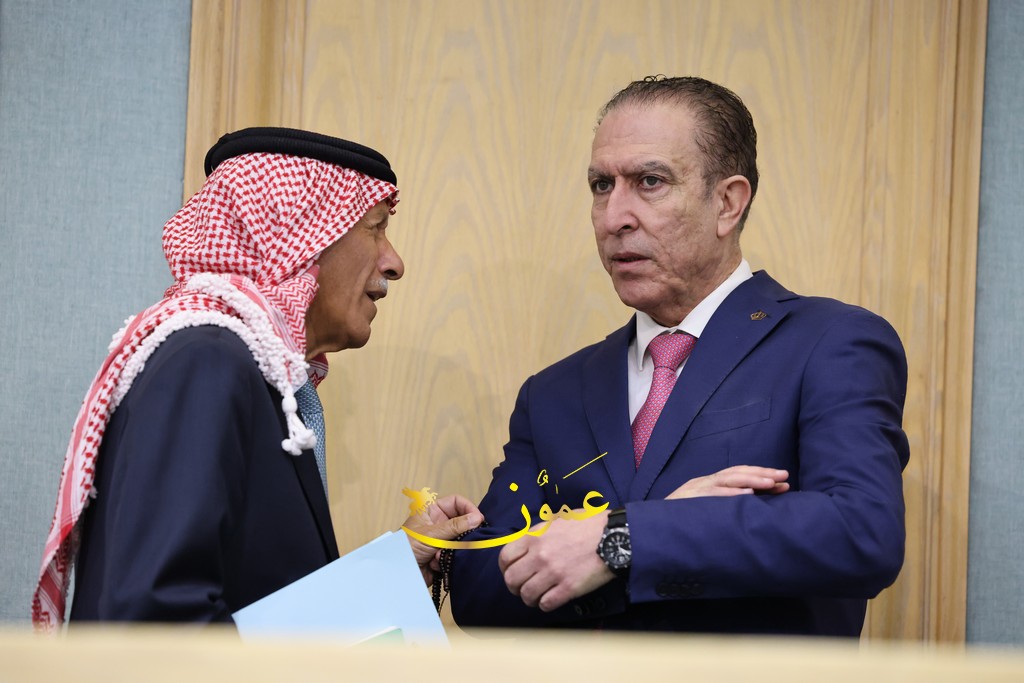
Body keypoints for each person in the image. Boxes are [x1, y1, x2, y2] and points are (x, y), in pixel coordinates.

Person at [449, 76, 909, 637]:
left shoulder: (830, 342)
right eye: (601, 185)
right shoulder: (552, 393)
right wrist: (619, 545)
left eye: (650, 181)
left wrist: (622, 539)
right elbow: (478, 588)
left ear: (727, 203)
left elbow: (861, 531)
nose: (614, 216)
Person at [32, 127, 481, 630]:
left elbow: (256, 602)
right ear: (300, 237)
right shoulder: (204, 362)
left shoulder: (250, 375)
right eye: (375, 228)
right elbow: (159, 626)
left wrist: (395, 572)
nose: (393, 263)